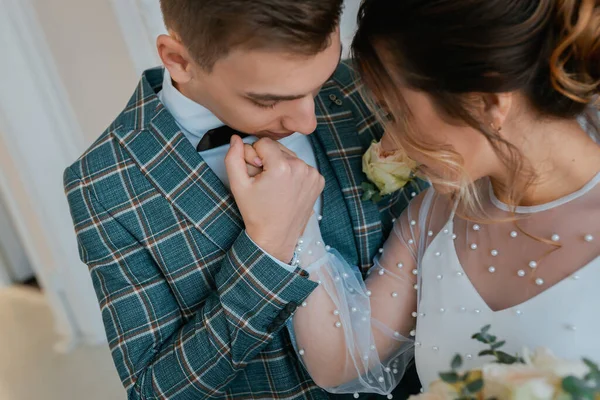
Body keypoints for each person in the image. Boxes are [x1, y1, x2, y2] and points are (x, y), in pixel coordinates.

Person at [62, 0, 423, 399]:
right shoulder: (103, 183)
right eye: (267, 100)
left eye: (318, 85)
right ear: (179, 60)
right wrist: (267, 249)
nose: (307, 121)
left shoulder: (360, 85)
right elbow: (154, 391)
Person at [285, 0, 600, 396]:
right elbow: (341, 360)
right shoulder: (435, 215)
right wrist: (291, 226)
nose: (391, 141)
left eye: (395, 113)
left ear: (487, 101)